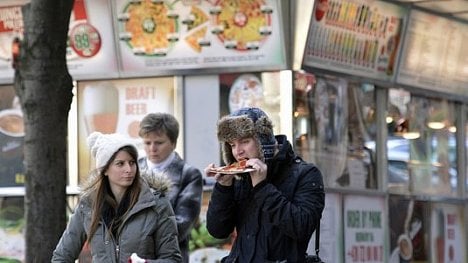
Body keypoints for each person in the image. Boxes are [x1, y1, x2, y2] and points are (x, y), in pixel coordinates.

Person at [204, 107, 325, 263]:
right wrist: (223, 188)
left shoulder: (306, 174)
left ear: (263, 140)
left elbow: (302, 227)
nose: (238, 152)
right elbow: (217, 231)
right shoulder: (241, 176)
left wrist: (262, 186)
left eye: (244, 141)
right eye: (232, 145)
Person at [52, 132, 182, 263]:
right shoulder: (88, 206)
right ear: (105, 170)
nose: (129, 169)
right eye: (120, 164)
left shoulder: (156, 204)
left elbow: (172, 259)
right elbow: (61, 257)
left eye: (132, 163)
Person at [138, 113, 203, 263]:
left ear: (173, 143)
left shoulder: (189, 174)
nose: (152, 148)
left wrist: (138, 235)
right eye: (147, 143)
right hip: (133, 256)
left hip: (170, 256)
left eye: (159, 142)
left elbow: (182, 224)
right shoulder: (132, 168)